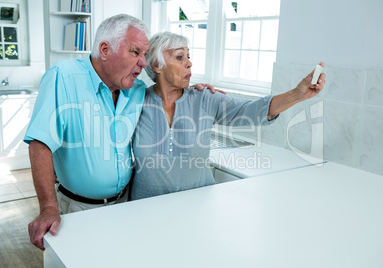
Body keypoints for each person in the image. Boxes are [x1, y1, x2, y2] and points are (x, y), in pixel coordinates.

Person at [26, 14, 216, 251]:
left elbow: (166, 91)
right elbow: (40, 143)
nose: (143, 63)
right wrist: (48, 208)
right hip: (78, 209)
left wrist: (195, 89)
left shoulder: (136, 89)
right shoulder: (63, 77)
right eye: (135, 52)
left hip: (126, 205)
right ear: (104, 50)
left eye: (145, 55)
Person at [130, 31, 326, 200]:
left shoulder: (204, 98)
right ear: (156, 65)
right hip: (145, 207)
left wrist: (298, 94)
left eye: (189, 57)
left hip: (196, 206)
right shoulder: (134, 102)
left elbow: (251, 111)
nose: (189, 63)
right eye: (180, 57)